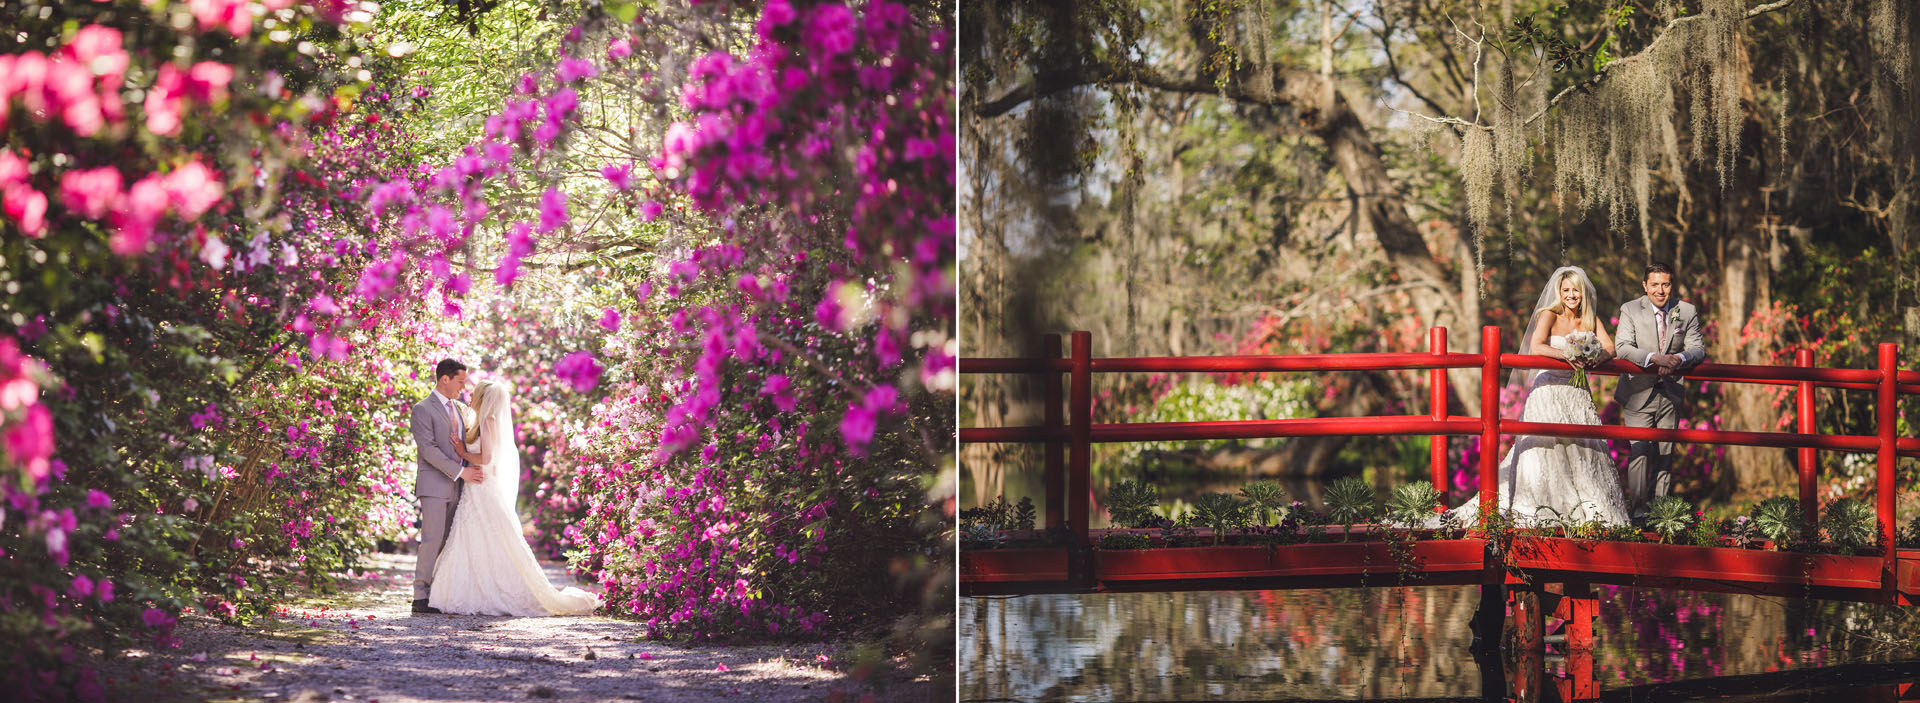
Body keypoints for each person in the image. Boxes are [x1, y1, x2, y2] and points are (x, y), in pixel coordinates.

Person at [1439, 266, 1632, 527]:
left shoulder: (1590, 319)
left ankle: (1592, 513)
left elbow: (1610, 348)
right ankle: (1542, 509)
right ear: (1559, 292)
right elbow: (1537, 346)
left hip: (1576, 393)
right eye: (1566, 290)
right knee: (1545, 445)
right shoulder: (1549, 315)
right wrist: (1566, 355)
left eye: (1575, 290)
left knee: (1583, 447)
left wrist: (1594, 357)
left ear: (1583, 292)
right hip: (1548, 390)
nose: (1571, 295)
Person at [428, 378, 601, 616]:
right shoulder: (478, 421)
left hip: (483, 487)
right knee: (471, 538)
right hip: (475, 488)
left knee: (492, 540)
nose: (471, 396)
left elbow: (487, 458)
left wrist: (462, 452)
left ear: (483, 398)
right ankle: (468, 589)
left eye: (475, 393)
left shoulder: (488, 421)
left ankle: (493, 591)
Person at [1612, 262, 1706, 521]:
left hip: (1670, 392)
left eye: (1665, 284)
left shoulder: (1686, 310)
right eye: (1654, 284)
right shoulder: (1630, 309)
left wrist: (1678, 358)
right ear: (1645, 286)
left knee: (1665, 453)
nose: (1660, 290)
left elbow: (1698, 349)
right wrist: (1655, 358)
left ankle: (1661, 515)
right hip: (1637, 393)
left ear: (1671, 285)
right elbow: (1623, 347)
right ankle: (1639, 514)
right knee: (1639, 451)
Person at [409, 358, 484, 614]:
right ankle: (420, 596)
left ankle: (438, 593)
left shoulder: (461, 409)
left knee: (449, 542)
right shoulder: (422, 409)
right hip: (433, 485)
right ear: (445, 379)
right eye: (460, 381)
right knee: (431, 539)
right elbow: (428, 450)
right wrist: (461, 471)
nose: (463, 387)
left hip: (459, 488)